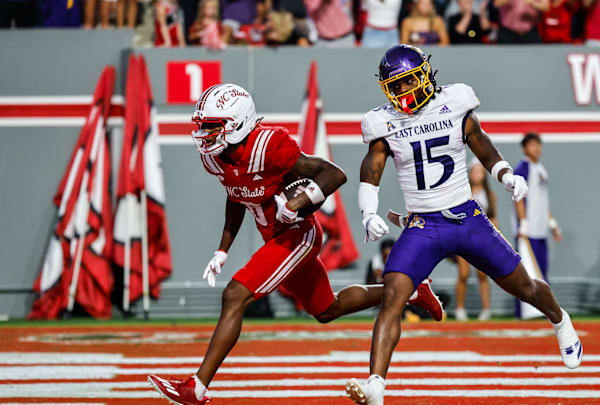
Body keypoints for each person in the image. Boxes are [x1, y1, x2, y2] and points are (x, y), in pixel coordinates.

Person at [146, 83, 443, 405]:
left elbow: (333, 174)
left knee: (235, 295)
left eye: (211, 126)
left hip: (298, 234)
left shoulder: (269, 144)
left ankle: (197, 388)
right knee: (326, 309)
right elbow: (235, 197)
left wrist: (298, 202)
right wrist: (222, 249)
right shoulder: (217, 159)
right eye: (202, 125)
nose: (204, 133)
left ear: (237, 124)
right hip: (274, 236)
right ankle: (412, 291)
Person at [345, 44, 583, 405]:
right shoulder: (384, 122)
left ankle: (560, 319)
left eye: (409, 82)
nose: (404, 92)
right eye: (396, 87)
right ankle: (376, 384)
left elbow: (481, 145)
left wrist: (504, 174)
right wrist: (368, 212)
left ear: (425, 75)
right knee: (392, 295)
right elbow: (371, 172)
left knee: (524, 287)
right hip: (423, 225)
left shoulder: (454, 103)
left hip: (466, 218)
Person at [512, 133, 562, 318]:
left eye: (538, 145)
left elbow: (543, 201)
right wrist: (523, 223)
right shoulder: (523, 168)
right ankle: (522, 313)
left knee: (542, 271)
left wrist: (552, 224)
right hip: (529, 230)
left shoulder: (540, 168)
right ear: (525, 148)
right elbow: (518, 197)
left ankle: (542, 310)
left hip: (540, 230)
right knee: (525, 275)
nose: (536, 148)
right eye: (532, 145)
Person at [455, 157, 495, 321]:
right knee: (463, 274)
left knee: (483, 274)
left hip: (482, 239)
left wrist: (493, 238)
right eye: (474, 171)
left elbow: (493, 218)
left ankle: (486, 309)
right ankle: (459, 309)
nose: (477, 174)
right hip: (463, 238)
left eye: (480, 171)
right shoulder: (463, 193)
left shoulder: (490, 195)